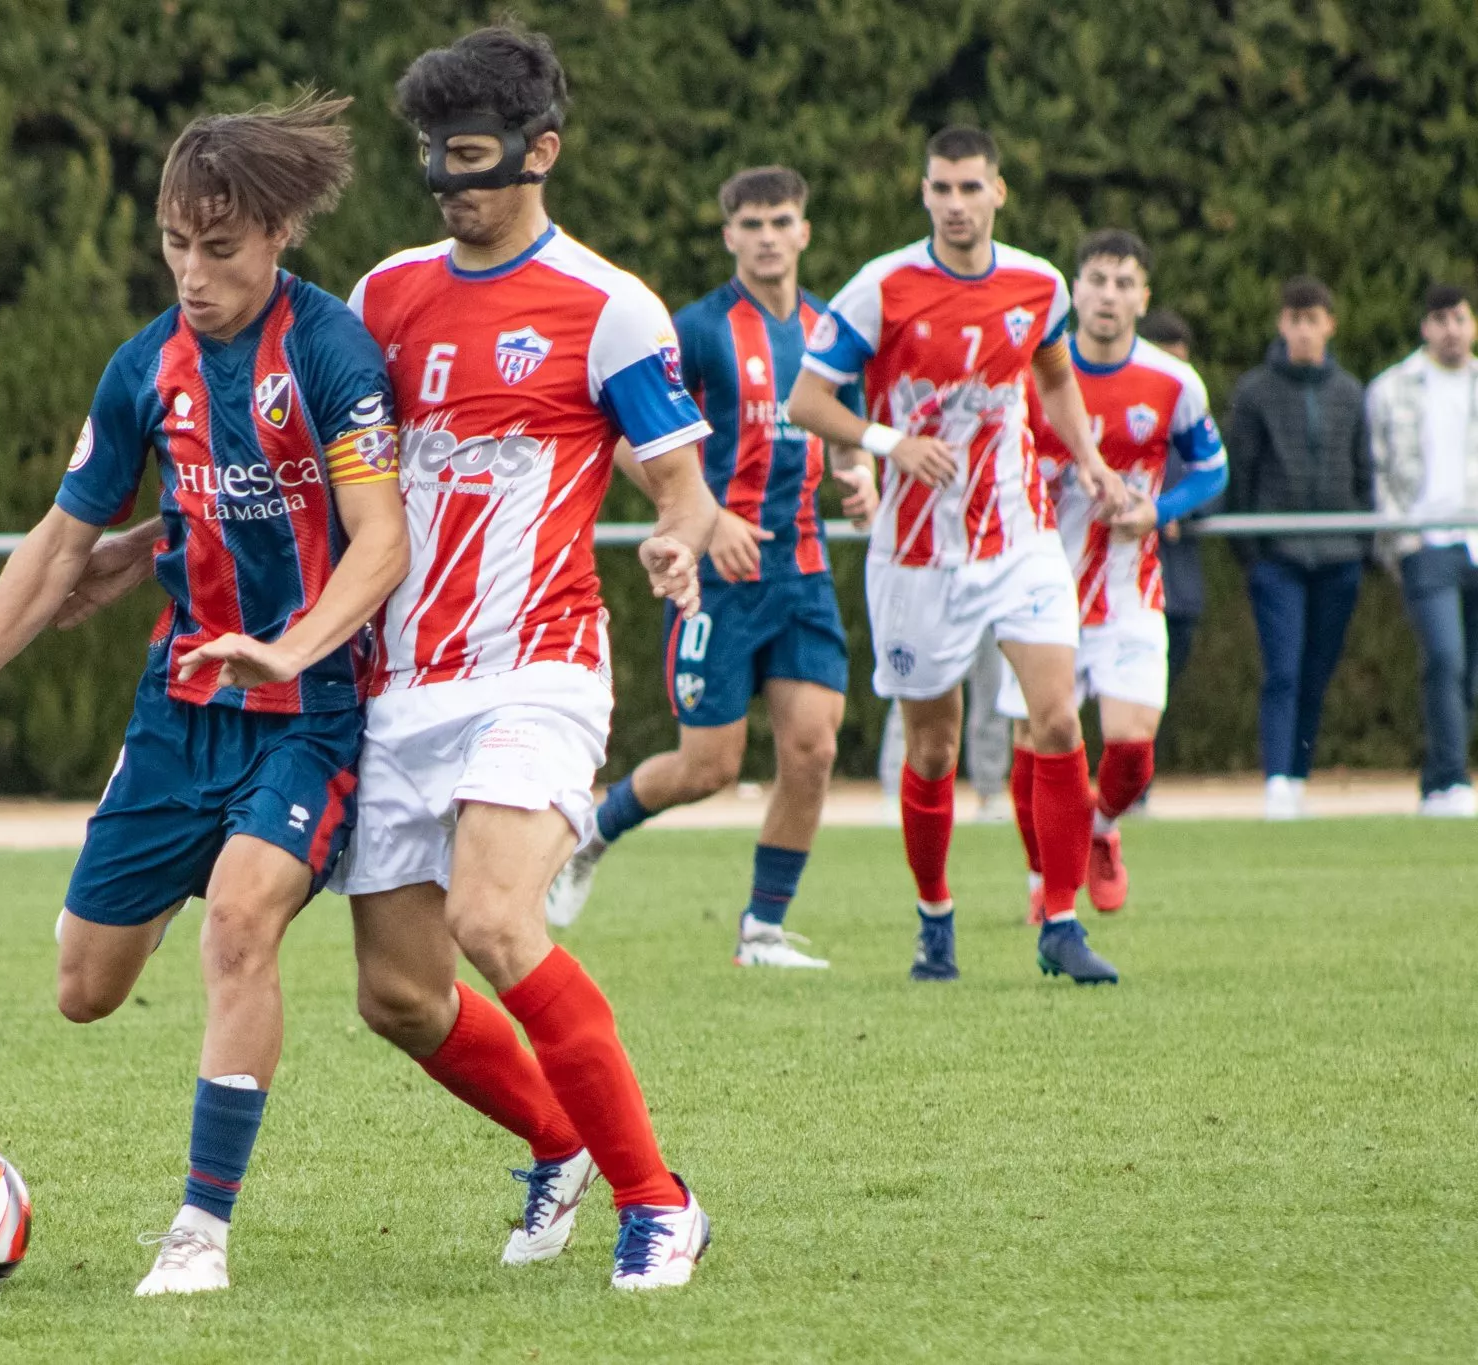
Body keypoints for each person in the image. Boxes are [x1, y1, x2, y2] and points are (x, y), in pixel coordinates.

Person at [0, 95, 408, 1297]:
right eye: (175, 244)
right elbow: (58, 540)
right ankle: (157, 858)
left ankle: (198, 1233)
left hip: (306, 716)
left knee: (240, 925)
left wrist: (293, 649)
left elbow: (380, 541)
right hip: (175, 717)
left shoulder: (330, 356)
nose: (191, 272)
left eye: (217, 249)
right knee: (84, 990)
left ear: (277, 234)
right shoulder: (146, 367)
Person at [339, 27, 719, 1290]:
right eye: (433, 164)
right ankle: (558, 1141)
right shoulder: (384, 293)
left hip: (536, 664)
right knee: (396, 997)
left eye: (474, 161)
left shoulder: (609, 308)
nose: (451, 187)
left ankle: (657, 1203)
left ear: (540, 152)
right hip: (398, 682)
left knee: (493, 917)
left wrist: (678, 540)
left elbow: (680, 484)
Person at [786, 125, 1127, 986]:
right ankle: (935, 916)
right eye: (942, 189)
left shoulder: (1039, 282)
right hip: (916, 553)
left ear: (998, 193)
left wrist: (1085, 456)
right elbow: (806, 400)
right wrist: (885, 440)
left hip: (1019, 540)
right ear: (925, 192)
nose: (956, 204)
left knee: (1056, 719)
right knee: (931, 749)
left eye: (971, 188)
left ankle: (1058, 918)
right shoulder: (883, 287)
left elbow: (1054, 374)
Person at [543, 164, 857, 969]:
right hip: (718, 579)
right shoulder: (701, 327)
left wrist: (865, 480)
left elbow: (846, 427)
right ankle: (591, 835)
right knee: (707, 766)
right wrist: (704, 521)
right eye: (750, 225)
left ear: (804, 231)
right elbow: (621, 428)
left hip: (805, 572)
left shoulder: (829, 328)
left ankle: (762, 930)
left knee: (814, 749)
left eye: (781, 221)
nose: (767, 238)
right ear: (729, 237)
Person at [996, 230, 1227, 918]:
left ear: (1143, 297)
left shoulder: (1171, 379)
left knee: (1132, 750)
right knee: (1036, 746)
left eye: (1125, 283)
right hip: (1040, 588)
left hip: (1129, 588)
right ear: (1075, 287)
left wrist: (1159, 509)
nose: (1109, 294)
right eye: (1097, 279)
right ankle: (1047, 881)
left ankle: (1099, 827)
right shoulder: (1028, 375)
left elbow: (1212, 468)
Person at [1224, 276, 1373, 820]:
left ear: (1330, 325)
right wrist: (1253, 548)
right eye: (1295, 318)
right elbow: (1240, 473)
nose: (1305, 330)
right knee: (1282, 667)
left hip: (1338, 557)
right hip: (1279, 556)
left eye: (1314, 319)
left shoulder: (1350, 392)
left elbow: (1363, 473)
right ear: (1282, 324)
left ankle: (1301, 774)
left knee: (1317, 670)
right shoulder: (1255, 391)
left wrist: (1361, 542)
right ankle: (1278, 778)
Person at [1368, 282, 1478, 817]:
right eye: (1441, 320)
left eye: (1460, 318)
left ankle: (1440, 777)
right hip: (1427, 541)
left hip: (1476, 540)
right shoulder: (1393, 388)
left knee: (1470, 672)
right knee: (1445, 658)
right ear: (1425, 328)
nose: (1451, 330)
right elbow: (1379, 469)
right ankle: (1450, 780)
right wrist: (1400, 541)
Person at [1138, 309, 1215, 711]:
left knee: (1157, 693)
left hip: (1177, 588)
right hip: (1119, 586)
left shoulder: (1194, 415)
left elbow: (1216, 479)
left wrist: (1172, 510)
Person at [878, 631, 1010, 821]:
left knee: (993, 692)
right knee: (915, 690)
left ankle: (990, 792)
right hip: (932, 605)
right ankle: (895, 790)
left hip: (989, 604)